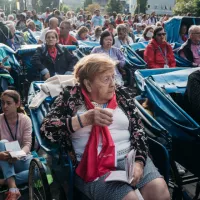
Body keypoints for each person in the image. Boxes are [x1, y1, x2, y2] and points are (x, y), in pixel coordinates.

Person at [40, 53, 170, 200]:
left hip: (129, 158)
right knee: (128, 198)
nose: (113, 84)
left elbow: (138, 130)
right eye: (106, 79)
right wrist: (84, 119)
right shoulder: (70, 97)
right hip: (92, 164)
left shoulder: (122, 95)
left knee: (160, 190)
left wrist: (139, 162)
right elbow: (46, 129)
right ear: (88, 84)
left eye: (113, 77)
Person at [0, 90, 32, 200]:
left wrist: (18, 155)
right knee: (2, 142)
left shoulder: (25, 120)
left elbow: (27, 144)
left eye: (8, 103)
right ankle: (13, 189)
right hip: (3, 160)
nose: (4, 106)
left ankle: (5, 181)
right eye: (2, 102)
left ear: (17, 104)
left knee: (38, 171)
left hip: (20, 157)